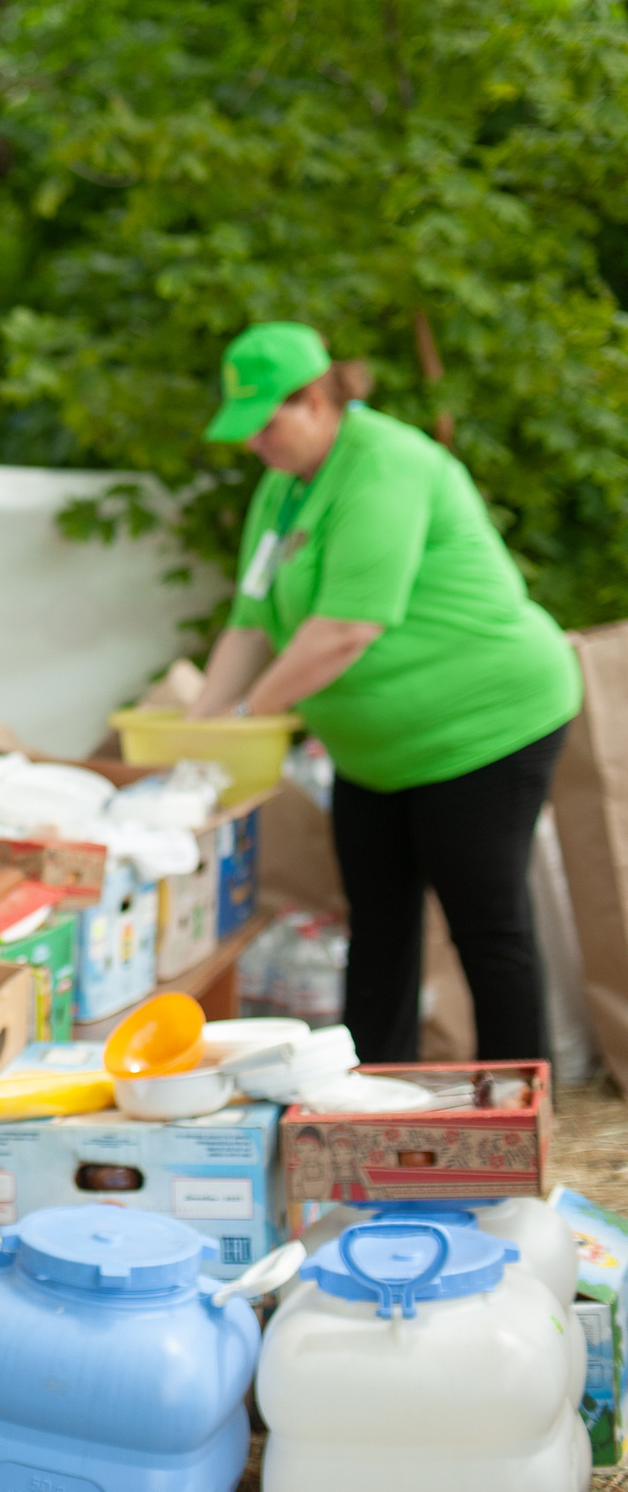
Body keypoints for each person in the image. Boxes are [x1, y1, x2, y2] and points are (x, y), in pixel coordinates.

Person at [187, 322, 580, 1064]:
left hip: (485, 723)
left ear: (314, 401)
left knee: (486, 926)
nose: (252, 445)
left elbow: (346, 627)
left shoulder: (385, 464)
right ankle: (367, 1101)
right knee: (377, 924)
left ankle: (518, 1121)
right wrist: (197, 730)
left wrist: (247, 719)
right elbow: (249, 624)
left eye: (265, 424)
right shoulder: (282, 490)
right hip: (375, 753)